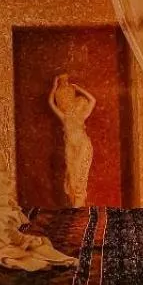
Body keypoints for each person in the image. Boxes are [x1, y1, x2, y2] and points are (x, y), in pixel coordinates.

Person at [48, 73, 96, 208]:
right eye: (63, 99)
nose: (65, 101)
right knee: (72, 179)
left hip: (83, 146)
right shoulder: (64, 117)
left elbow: (93, 100)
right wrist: (54, 86)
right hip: (71, 148)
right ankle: (77, 208)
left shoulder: (82, 116)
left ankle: (78, 209)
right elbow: (51, 103)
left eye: (67, 98)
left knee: (80, 178)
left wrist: (78, 88)